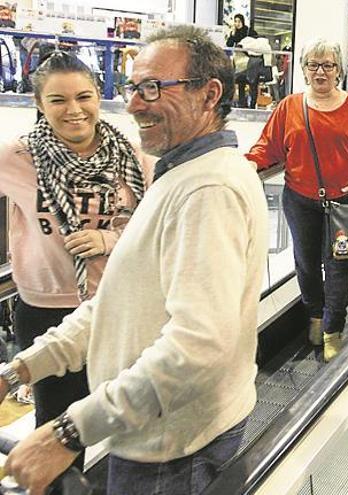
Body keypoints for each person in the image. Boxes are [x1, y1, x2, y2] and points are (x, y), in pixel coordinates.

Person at [2, 25, 268, 495]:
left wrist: (69, 431)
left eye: (152, 88)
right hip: (156, 437)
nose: (132, 104)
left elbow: (198, 347)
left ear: (209, 95)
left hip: (173, 453)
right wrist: (21, 369)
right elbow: (118, 300)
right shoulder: (177, 174)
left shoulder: (207, 190)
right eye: (132, 87)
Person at [0, 51, 152, 471]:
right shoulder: (18, 157)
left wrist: (108, 238)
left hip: (114, 307)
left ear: (99, 97)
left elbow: (155, 230)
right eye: (58, 100)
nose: (74, 110)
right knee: (56, 429)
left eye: (84, 96)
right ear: (38, 104)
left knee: (122, 416)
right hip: (45, 312)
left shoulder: (132, 158)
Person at [247, 39, 348, 361]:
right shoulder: (290, 106)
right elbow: (270, 146)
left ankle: (334, 329)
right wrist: (251, 163)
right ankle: (316, 315)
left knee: (338, 268)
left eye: (328, 65)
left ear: (339, 71)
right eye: (313, 65)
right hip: (300, 200)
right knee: (306, 264)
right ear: (304, 71)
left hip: (345, 204)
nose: (320, 72)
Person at [227, 14, 262, 109]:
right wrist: (232, 34)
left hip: (250, 60)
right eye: (235, 21)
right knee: (241, 82)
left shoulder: (248, 31)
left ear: (242, 21)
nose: (237, 23)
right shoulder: (234, 33)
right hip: (239, 61)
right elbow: (229, 44)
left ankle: (252, 105)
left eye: (239, 21)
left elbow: (257, 42)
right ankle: (242, 104)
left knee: (252, 82)